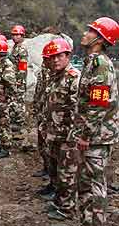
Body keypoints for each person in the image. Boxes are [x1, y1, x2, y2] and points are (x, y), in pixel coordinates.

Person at [70, 17, 119, 226]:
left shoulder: (101, 66)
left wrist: (85, 136)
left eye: (90, 31)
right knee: (84, 182)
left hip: (97, 137)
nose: (85, 33)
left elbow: (99, 105)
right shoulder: (91, 62)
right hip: (90, 135)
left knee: (96, 185)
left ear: (99, 39)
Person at [39, 38, 80, 221]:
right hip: (54, 134)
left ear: (68, 56)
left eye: (59, 56)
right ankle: (59, 201)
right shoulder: (56, 77)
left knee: (67, 174)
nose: (55, 60)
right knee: (55, 170)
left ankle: (67, 209)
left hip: (67, 137)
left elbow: (77, 111)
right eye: (52, 57)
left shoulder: (73, 78)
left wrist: (72, 139)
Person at [33, 42, 53, 179]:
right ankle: (46, 168)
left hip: (51, 116)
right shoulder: (43, 70)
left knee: (49, 147)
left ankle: (51, 173)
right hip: (42, 111)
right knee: (42, 143)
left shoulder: (55, 73)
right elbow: (40, 91)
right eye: (44, 58)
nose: (45, 61)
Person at [9, 25, 28, 132]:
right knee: (14, 99)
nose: (15, 37)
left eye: (17, 35)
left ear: (22, 36)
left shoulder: (22, 49)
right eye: (14, 35)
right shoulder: (15, 48)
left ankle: (19, 122)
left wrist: (19, 81)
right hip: (14, 77)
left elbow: (22, 66)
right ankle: (14, 119)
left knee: (19, 100)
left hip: (19, 79)